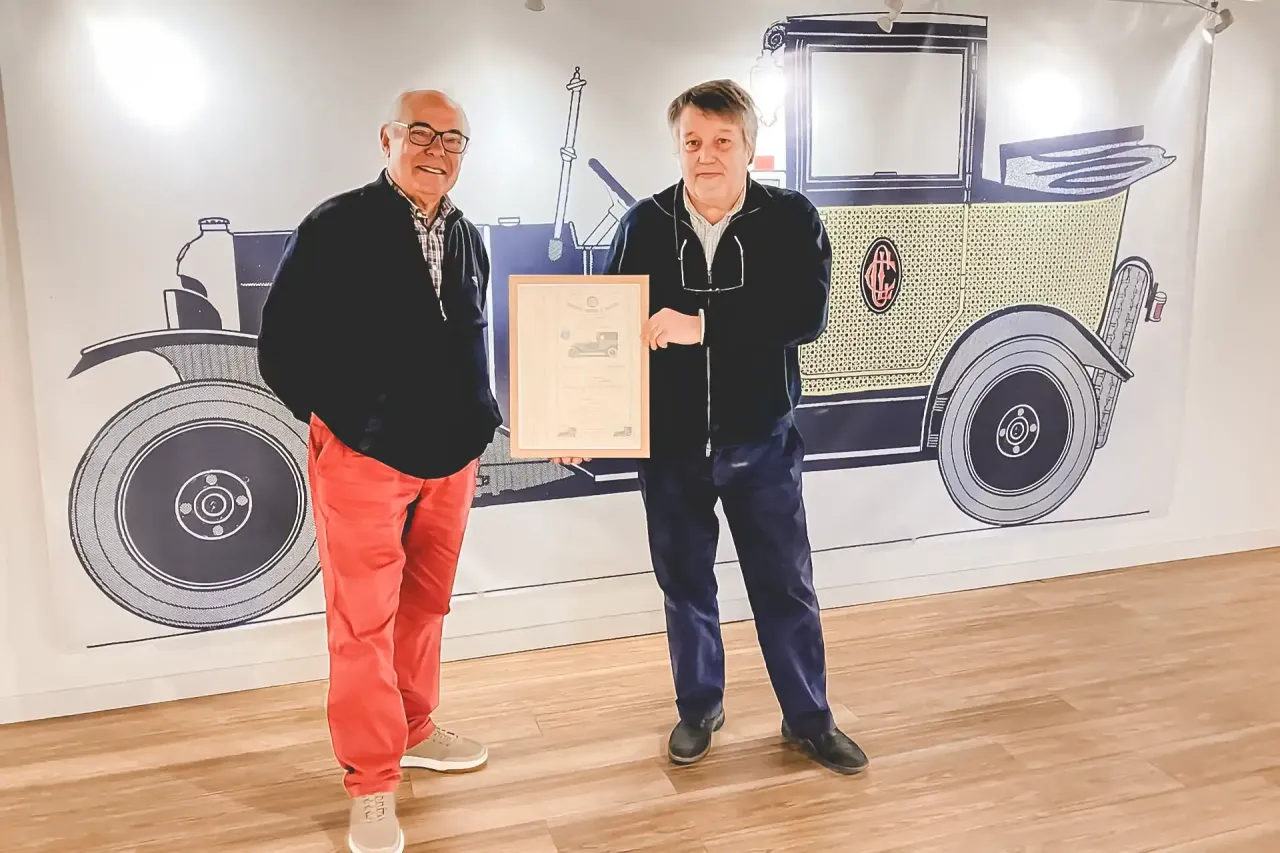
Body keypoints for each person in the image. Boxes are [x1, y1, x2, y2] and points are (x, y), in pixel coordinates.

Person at [591, 79, 869, 774]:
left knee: (785, 586)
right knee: (685, 584)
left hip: (761, 442)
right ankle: (699, 708)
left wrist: (703, 325)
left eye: (722, 141)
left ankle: (809, 718)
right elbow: (606, 328)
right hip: (670, 448)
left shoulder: (792, 218)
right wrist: (582, 418)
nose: (706, 155)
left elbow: (805, 314)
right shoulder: (643, 224)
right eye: (692, 141)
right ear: (677, 147)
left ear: (749, 146)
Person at [256, 89, 501, 853]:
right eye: (421, 133)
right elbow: (280, 344)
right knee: (361, 624)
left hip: (450, 458)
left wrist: (478, 419)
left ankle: (414, 726)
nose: (437, 149)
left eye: (453, 139)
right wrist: (347, 427)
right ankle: (371, 783)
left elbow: (467, 338)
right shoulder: (336, 225)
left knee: (425, 605)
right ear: (387, 139)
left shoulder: (467, 236)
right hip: (365, 461)